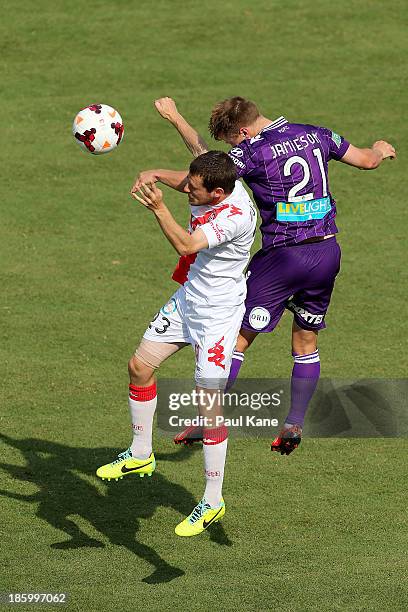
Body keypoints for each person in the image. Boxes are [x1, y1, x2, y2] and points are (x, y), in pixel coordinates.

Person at [136, 96, 396, 455]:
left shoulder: (253, 151)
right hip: (326, 254)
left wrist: (157, 173)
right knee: (306, 342)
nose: (232, 148)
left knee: (239, 336)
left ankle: (206, 418)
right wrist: (380, 150)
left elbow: (203, 179)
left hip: (282, 258)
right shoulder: (315, 134)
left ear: (243, 130)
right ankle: (293, 424)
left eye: (231, 141)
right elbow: (367, 160)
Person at [97, 151, 256, 536]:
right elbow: (188, 179)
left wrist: (158, 207)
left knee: (207, 406)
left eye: (195, 189)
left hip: (217, 318)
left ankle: (213, 501)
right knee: (139, 366)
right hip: (188, 301)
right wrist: (151, 169)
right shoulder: (214, 186)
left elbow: (186, 246)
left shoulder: (234, 217)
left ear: (218, 193)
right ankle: (140, 453)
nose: (187, 189)